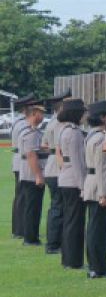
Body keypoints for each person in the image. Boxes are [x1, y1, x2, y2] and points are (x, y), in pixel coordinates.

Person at [82, 101, 106, 279]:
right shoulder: (102, 137)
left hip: (91, 181)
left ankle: (95, 265)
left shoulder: (91, 136)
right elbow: (103, 167)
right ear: (103, 118)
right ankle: (98, 267)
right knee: (99, 229)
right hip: (99, 185)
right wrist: (104, 193)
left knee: (95, 227)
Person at [55, 98, 87, 270]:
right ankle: (73, 261)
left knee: (70, 221)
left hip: (65, 178)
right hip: (73, 181)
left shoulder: (63, 130)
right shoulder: (73, 132)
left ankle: (68, 259)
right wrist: (83, 186)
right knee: (75, 223)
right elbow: (77, 162)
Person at [41, 91, 70, 255]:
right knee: (59, 207)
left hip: (52, 164)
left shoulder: (51, 123)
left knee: (56, 206)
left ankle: (54, 242)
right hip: (59, 166)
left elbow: (44, 144)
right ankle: (54, 243)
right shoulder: (60, 124)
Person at [17, 97, 48, 246]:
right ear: (35, 113)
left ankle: (31, 236)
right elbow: (31, 155)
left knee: (32, 206)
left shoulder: (30, 131)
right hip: (31, 175)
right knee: (33, 207)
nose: (43, 116)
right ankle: (30, 238)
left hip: (27, 173)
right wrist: (38, 175)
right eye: (41, 113)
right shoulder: (31, 133)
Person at [10, 95, 31, 241]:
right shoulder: (23, 123)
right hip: (22, 161)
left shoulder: (18, 121)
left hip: (18, 160)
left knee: (20, 197)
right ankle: (20, 229)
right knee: (22, 197)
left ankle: (19, 228)